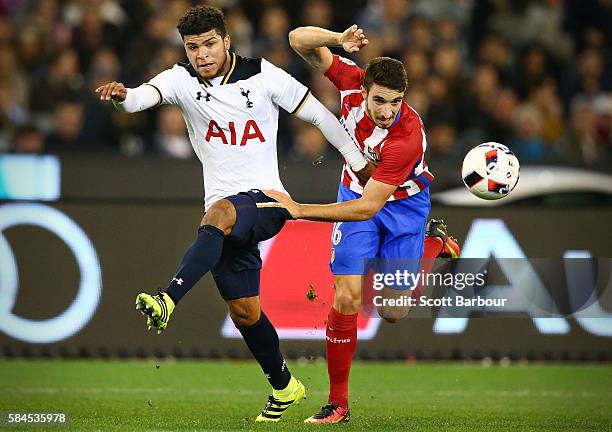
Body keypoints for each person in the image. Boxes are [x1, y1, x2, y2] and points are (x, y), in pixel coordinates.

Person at [95, 6, 372, 423]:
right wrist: (121, 98)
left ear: (226, 41)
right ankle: (284, 386)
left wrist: (355, 159)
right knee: (245, 311)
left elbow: (317, 113)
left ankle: (167, 298)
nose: (201, 54)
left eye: (209, 44)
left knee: (220, 214)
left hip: (268, 200)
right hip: (223, 215)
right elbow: (139, 99)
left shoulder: (263, 75)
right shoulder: (180, 80)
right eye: (192, 47)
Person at [263, 24, 460, 423]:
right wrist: (338, 40)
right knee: (347, 297)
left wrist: (300, 210)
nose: (388, 110)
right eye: (380, 100)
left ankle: (433, 245)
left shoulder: (406, 138)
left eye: (396, 101)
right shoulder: (350, 81)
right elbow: (297, 40)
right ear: (364, 89)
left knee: (392, 311)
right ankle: (338, 403)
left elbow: (369, 208)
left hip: (401, 207)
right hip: (356, 192)